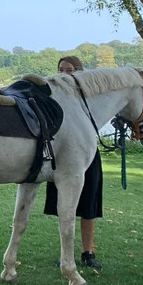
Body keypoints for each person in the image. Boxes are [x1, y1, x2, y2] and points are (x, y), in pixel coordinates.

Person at [46, 55, 103, 269]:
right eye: (60, 69)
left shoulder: (90, 96)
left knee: (89, 205)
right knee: (65, 206)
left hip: (87, 155)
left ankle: (88, 252)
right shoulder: (55, 95)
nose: (63, 74)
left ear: (79, 71)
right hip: (62, 155)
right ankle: (66, 255)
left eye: (69, 70)